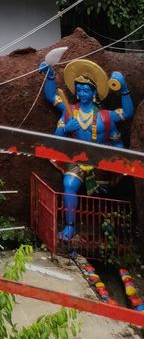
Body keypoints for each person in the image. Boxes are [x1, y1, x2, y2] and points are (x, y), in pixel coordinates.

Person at [39, 56, 133, 240]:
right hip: (76, 160)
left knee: (105, 195)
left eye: (86, 90)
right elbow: (52, 100)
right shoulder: (69, 111)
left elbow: (127, 113)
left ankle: (109, 228)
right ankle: (70, 226)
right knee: (69, 185)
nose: (82, 93)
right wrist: (50, 77)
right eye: (79, 89)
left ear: (94, 93)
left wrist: (124, 89)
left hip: (100, 161)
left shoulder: (106, 116)